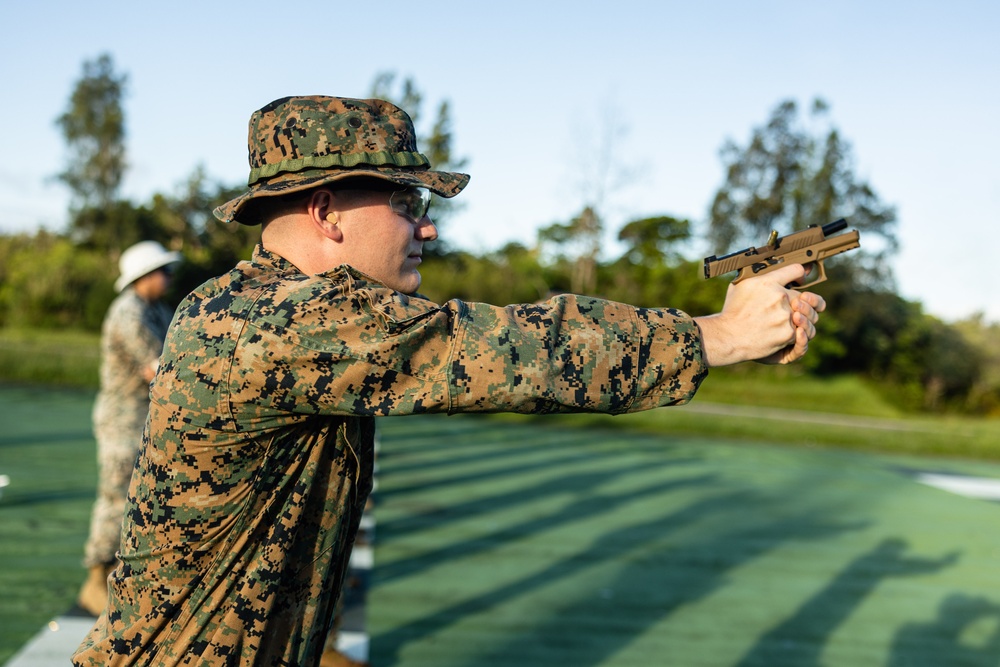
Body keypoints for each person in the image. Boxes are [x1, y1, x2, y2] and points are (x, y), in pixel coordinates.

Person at [73, 96, 825, 667]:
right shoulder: (284, 325)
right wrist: (717, 336)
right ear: (326, 210)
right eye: (407, 203)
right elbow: (515, 351)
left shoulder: (236, 305)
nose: (424, 227)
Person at [76, 240, 181, 616]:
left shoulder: (155, 310)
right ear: (145, 276)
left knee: (141, 501)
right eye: (163, 271)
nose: (169, 277)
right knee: (116, 499)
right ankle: (95, 580)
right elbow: (161, 367)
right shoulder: (129, 314)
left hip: (145, 420)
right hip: (123, 423)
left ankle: (122, 577)